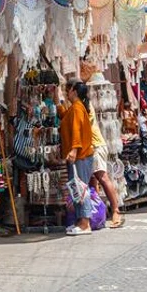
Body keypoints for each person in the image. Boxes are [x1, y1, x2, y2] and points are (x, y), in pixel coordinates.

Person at [58, 79, 95, 236]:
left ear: (73, 90)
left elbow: (77, 131)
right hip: (77, 156)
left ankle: (85, 223)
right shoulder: (74, 108)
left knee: (81, 188)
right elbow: (63, 115)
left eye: (68, 89)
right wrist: (56, 99)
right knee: (76, 188)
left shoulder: (78, 108)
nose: (66, 92)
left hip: (81, 155)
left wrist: (74, 150)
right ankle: (80, 221)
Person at [88, 107, 123, 228]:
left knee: (101, 176)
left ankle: (116, 211)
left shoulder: (85, 104)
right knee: (93, 180)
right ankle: (98, 211)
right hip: (90, 146)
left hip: (95, 145)